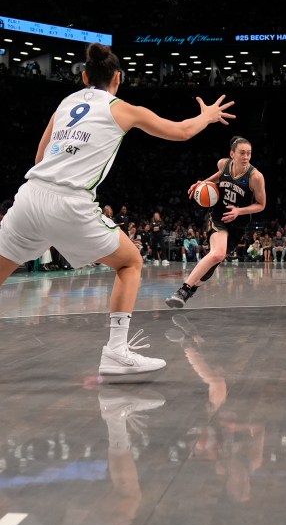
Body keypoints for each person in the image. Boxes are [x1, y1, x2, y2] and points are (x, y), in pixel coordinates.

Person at [0, 42, 235, 375]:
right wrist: (207, 116)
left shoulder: (65, 102)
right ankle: (115, 351)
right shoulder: (121, 108)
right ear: (118, 79)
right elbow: (181, 131)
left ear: (84, 76)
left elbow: (40, 159)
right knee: (129, 262)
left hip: (29, 196)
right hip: (69, 202)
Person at [165, 136, 266, 308]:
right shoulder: (224, 164)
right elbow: (220, 176)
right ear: (232, 154)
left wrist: (239, 211)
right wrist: (202, 183)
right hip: (218, 216)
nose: (246, 157)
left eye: (249, 153)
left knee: (213, 263)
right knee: (218, 253)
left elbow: (261, 205)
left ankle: (190, 290)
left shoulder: (255, 177)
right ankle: (183, 290)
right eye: (242, 153)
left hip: (238, 225)